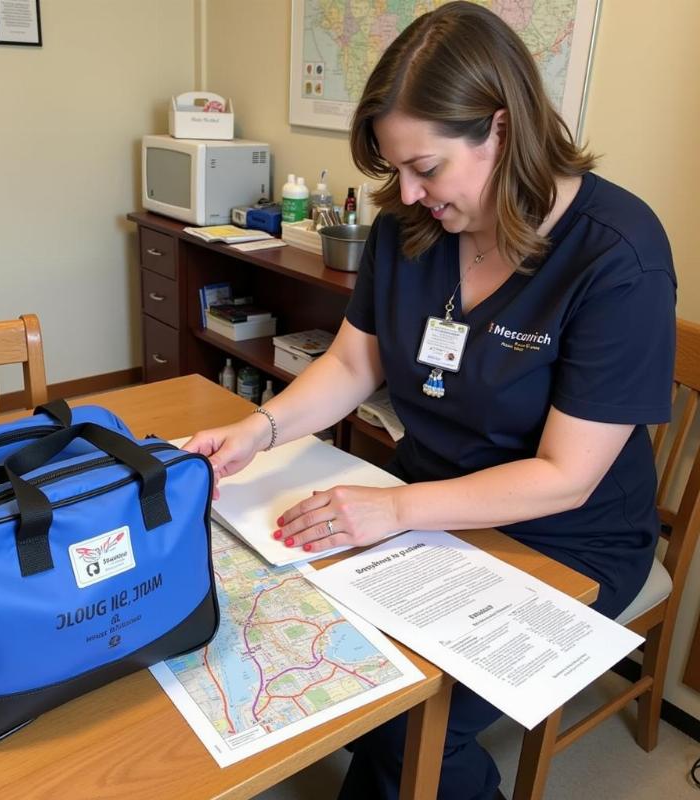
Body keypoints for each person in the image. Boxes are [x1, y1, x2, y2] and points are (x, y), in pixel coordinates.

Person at [185, 3, 676, 798]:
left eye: (427, 168)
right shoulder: (409, 231)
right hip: (425, 506)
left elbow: (566, 475)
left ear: (503, 129)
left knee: (407, 718)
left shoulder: (617, 254)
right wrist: (259, 429)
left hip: (566, 541)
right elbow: (352, 362)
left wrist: (400, 512)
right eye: (395, 170)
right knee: (318, 649)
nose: (407, 193)